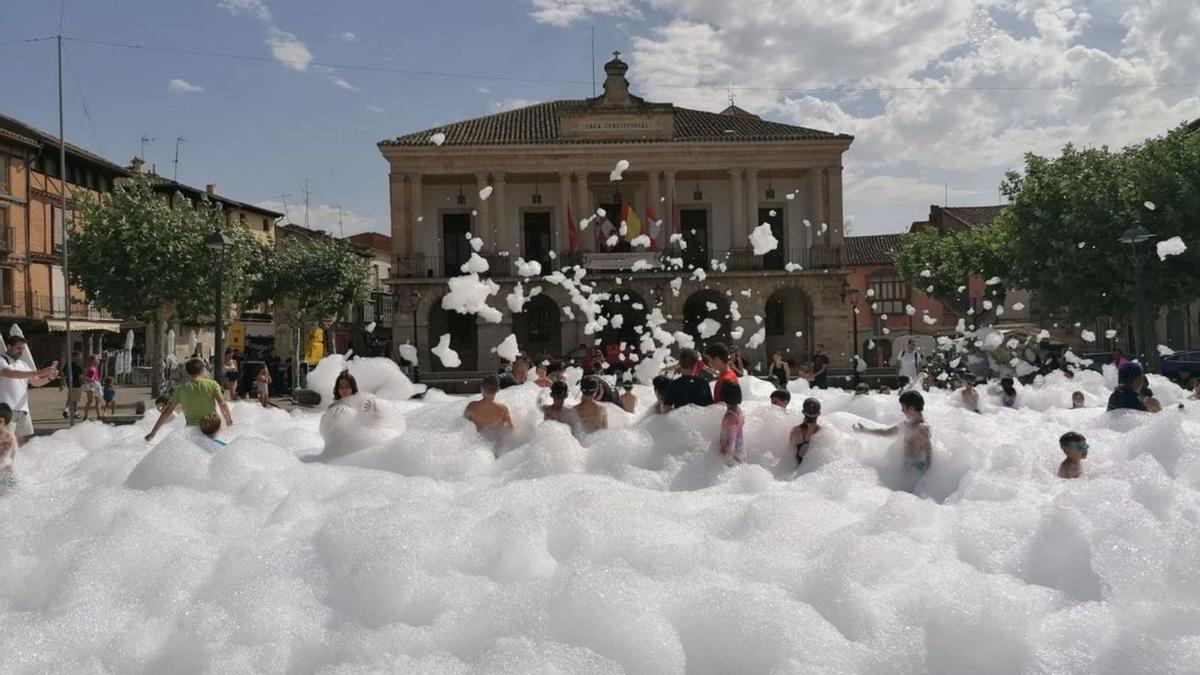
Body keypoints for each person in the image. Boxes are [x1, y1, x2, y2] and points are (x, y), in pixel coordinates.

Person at [145, 358, 233, 441]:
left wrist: (153, 432)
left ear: (187, 372)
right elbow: (222, 404)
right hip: (211, 428)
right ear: (203, 370)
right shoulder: (212, 384)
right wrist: (229, 421)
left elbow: (167, 412)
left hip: (191, 429)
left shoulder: (181, 388)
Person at [854, 390, 933, 476]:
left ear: (911, 408)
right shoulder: (908, 424)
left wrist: (927, 478)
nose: (902, 411)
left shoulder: (922, 428)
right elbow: (886, 432)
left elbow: (929, 453)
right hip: (908, 467)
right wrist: (865, 430)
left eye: (903, 407)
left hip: (918, 469)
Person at [0, 337, 58, 445]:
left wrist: (49, 377)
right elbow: (10, 373)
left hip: (23, 410)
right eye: (18, 348)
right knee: (6, 443)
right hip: (5, 410)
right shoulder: (1, 360)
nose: (21, 351)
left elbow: (36, 382)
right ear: (8, 347)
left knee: (22, 442)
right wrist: (39, 372)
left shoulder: (23, 364)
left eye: (23, 348)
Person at [464, 374, 513, 440]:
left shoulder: (471, 407)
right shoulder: (503, 409)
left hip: (478, 443)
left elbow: (462, 427)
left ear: (481, 388)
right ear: (498, 389)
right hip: (497, 444)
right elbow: (510, 429)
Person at [717, 381, 745, 465]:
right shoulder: (739, 411)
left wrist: (722, 453)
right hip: (739, 454)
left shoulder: (729, 416)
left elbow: (730, 441)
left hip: (731, 460)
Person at [790, 398, 822, 465]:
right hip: (813, 468)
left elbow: (789, 452)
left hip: (796, 469)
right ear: (819, 413)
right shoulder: (821, 431)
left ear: (803, 412)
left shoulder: (795, 431)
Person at [0, 403, 17, 495]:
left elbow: (13, 455)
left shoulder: (9, 438)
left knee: (8, 494)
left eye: (0, 421)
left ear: (6, 422)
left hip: (6, 470)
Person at [62, 351, 83, 420]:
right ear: (75, 357)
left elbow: (63, 374)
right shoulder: (77, 366)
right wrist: (82, 383)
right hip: (77, 384)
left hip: (69, 384)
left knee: (70, 398)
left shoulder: (67, 364)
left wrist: (62, 382)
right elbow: (80, 377)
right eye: (79, 356)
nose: (80, 358)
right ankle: (75, 413)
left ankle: (66, 410)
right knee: (75, 400)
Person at [81, 354, 102, 421]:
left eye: (97, 360)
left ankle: (99, 416)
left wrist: (98, 357)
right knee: (90, 401)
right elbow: (84, 377)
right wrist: (90, 380)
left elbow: (99, 361)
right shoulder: (87, 367)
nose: (97, 360)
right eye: (95, 359)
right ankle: (85, 415)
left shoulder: (95, 367)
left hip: (96, 383)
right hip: (89, 384)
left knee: (98, 400)